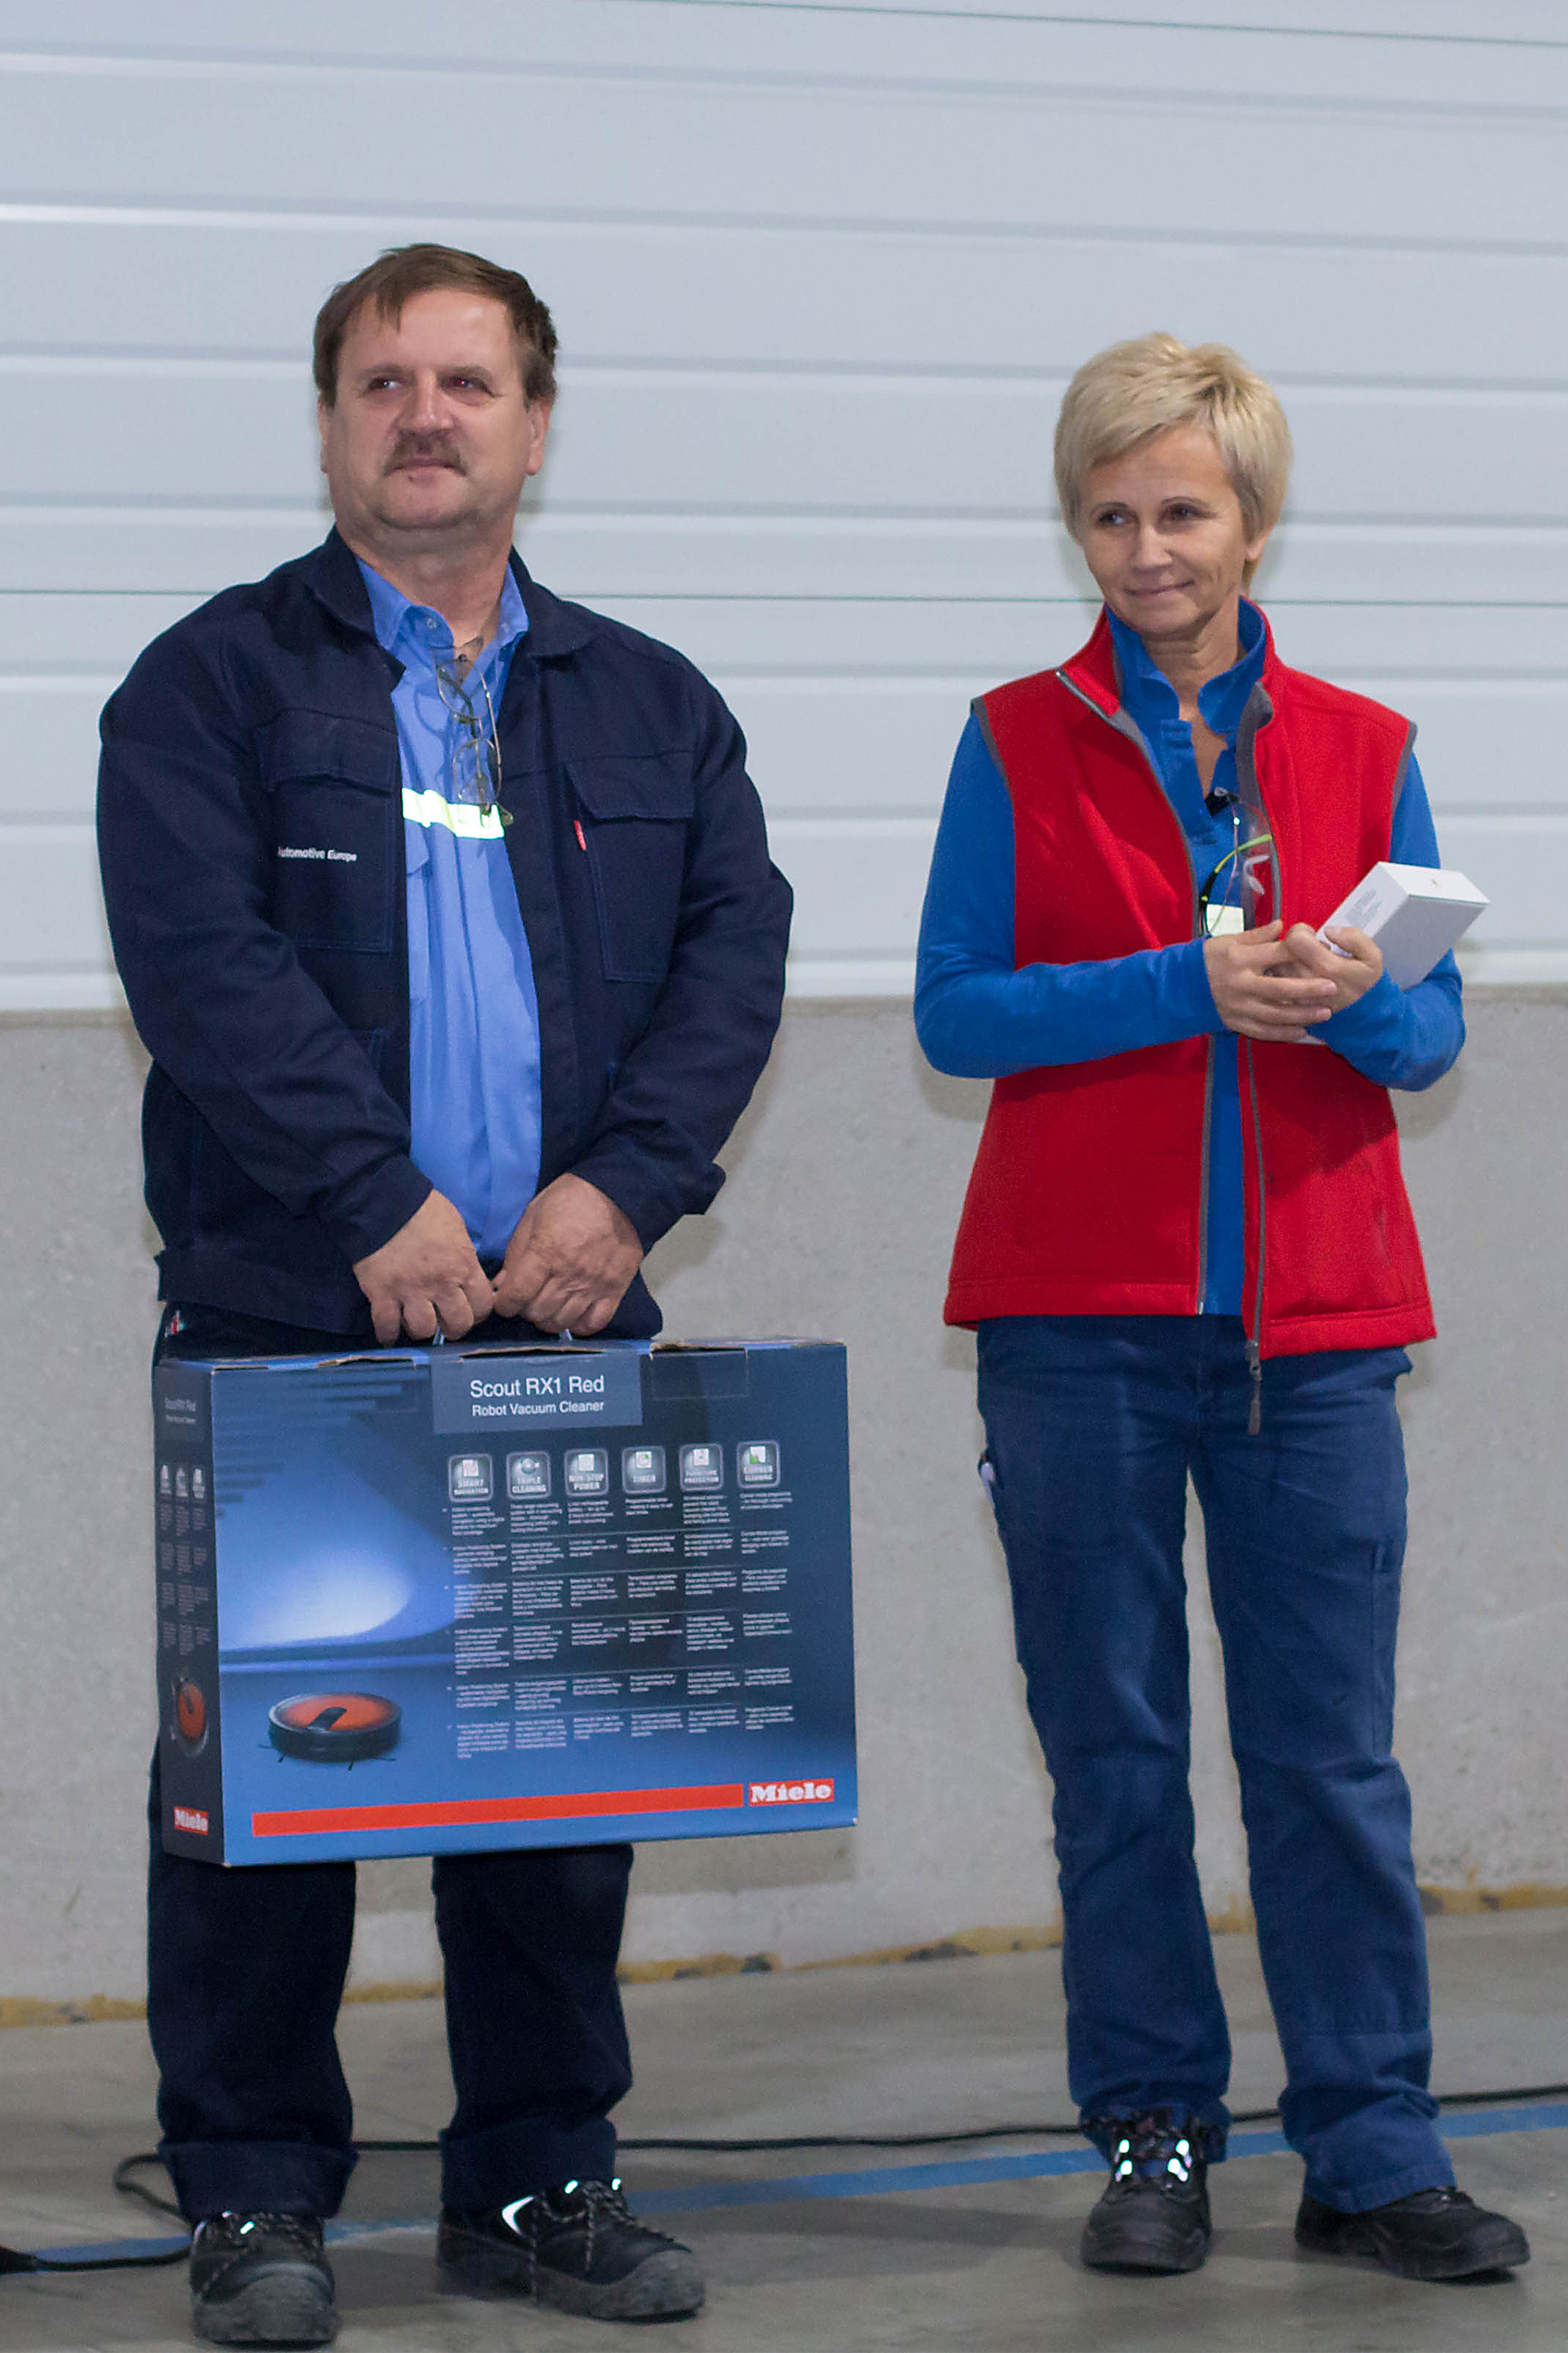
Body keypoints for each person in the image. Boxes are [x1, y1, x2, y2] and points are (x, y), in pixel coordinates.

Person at [97, 242, 791, 2345]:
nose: (425, 416)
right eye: (384, 381)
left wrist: (624, 1194)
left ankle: (539, 2179)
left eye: (467, 382)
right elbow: (201, 965)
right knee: (268, 1789)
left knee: (556, 1795)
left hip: (565, 1313)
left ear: (536, 424)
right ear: (329, 423)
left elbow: (731, 959)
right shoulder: (210, 687)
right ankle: (251, 2192)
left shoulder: (654, 703)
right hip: (295, 1314)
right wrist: (373, 1198)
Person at [914, 333, 1528, 2286]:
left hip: (1318, 1334)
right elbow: (956, 1013)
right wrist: (1187, 984)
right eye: (1108, 515)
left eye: (1180, 510)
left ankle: (1374, 2147)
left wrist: (1351, 1000)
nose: (1145, 549)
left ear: (1254, 523)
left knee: (1328, 1763)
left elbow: (1427, 1040)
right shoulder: (1012, 739)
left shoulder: (1361, 741)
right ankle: (1155, 2134)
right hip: (1075, 1328)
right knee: (1114, 1759)